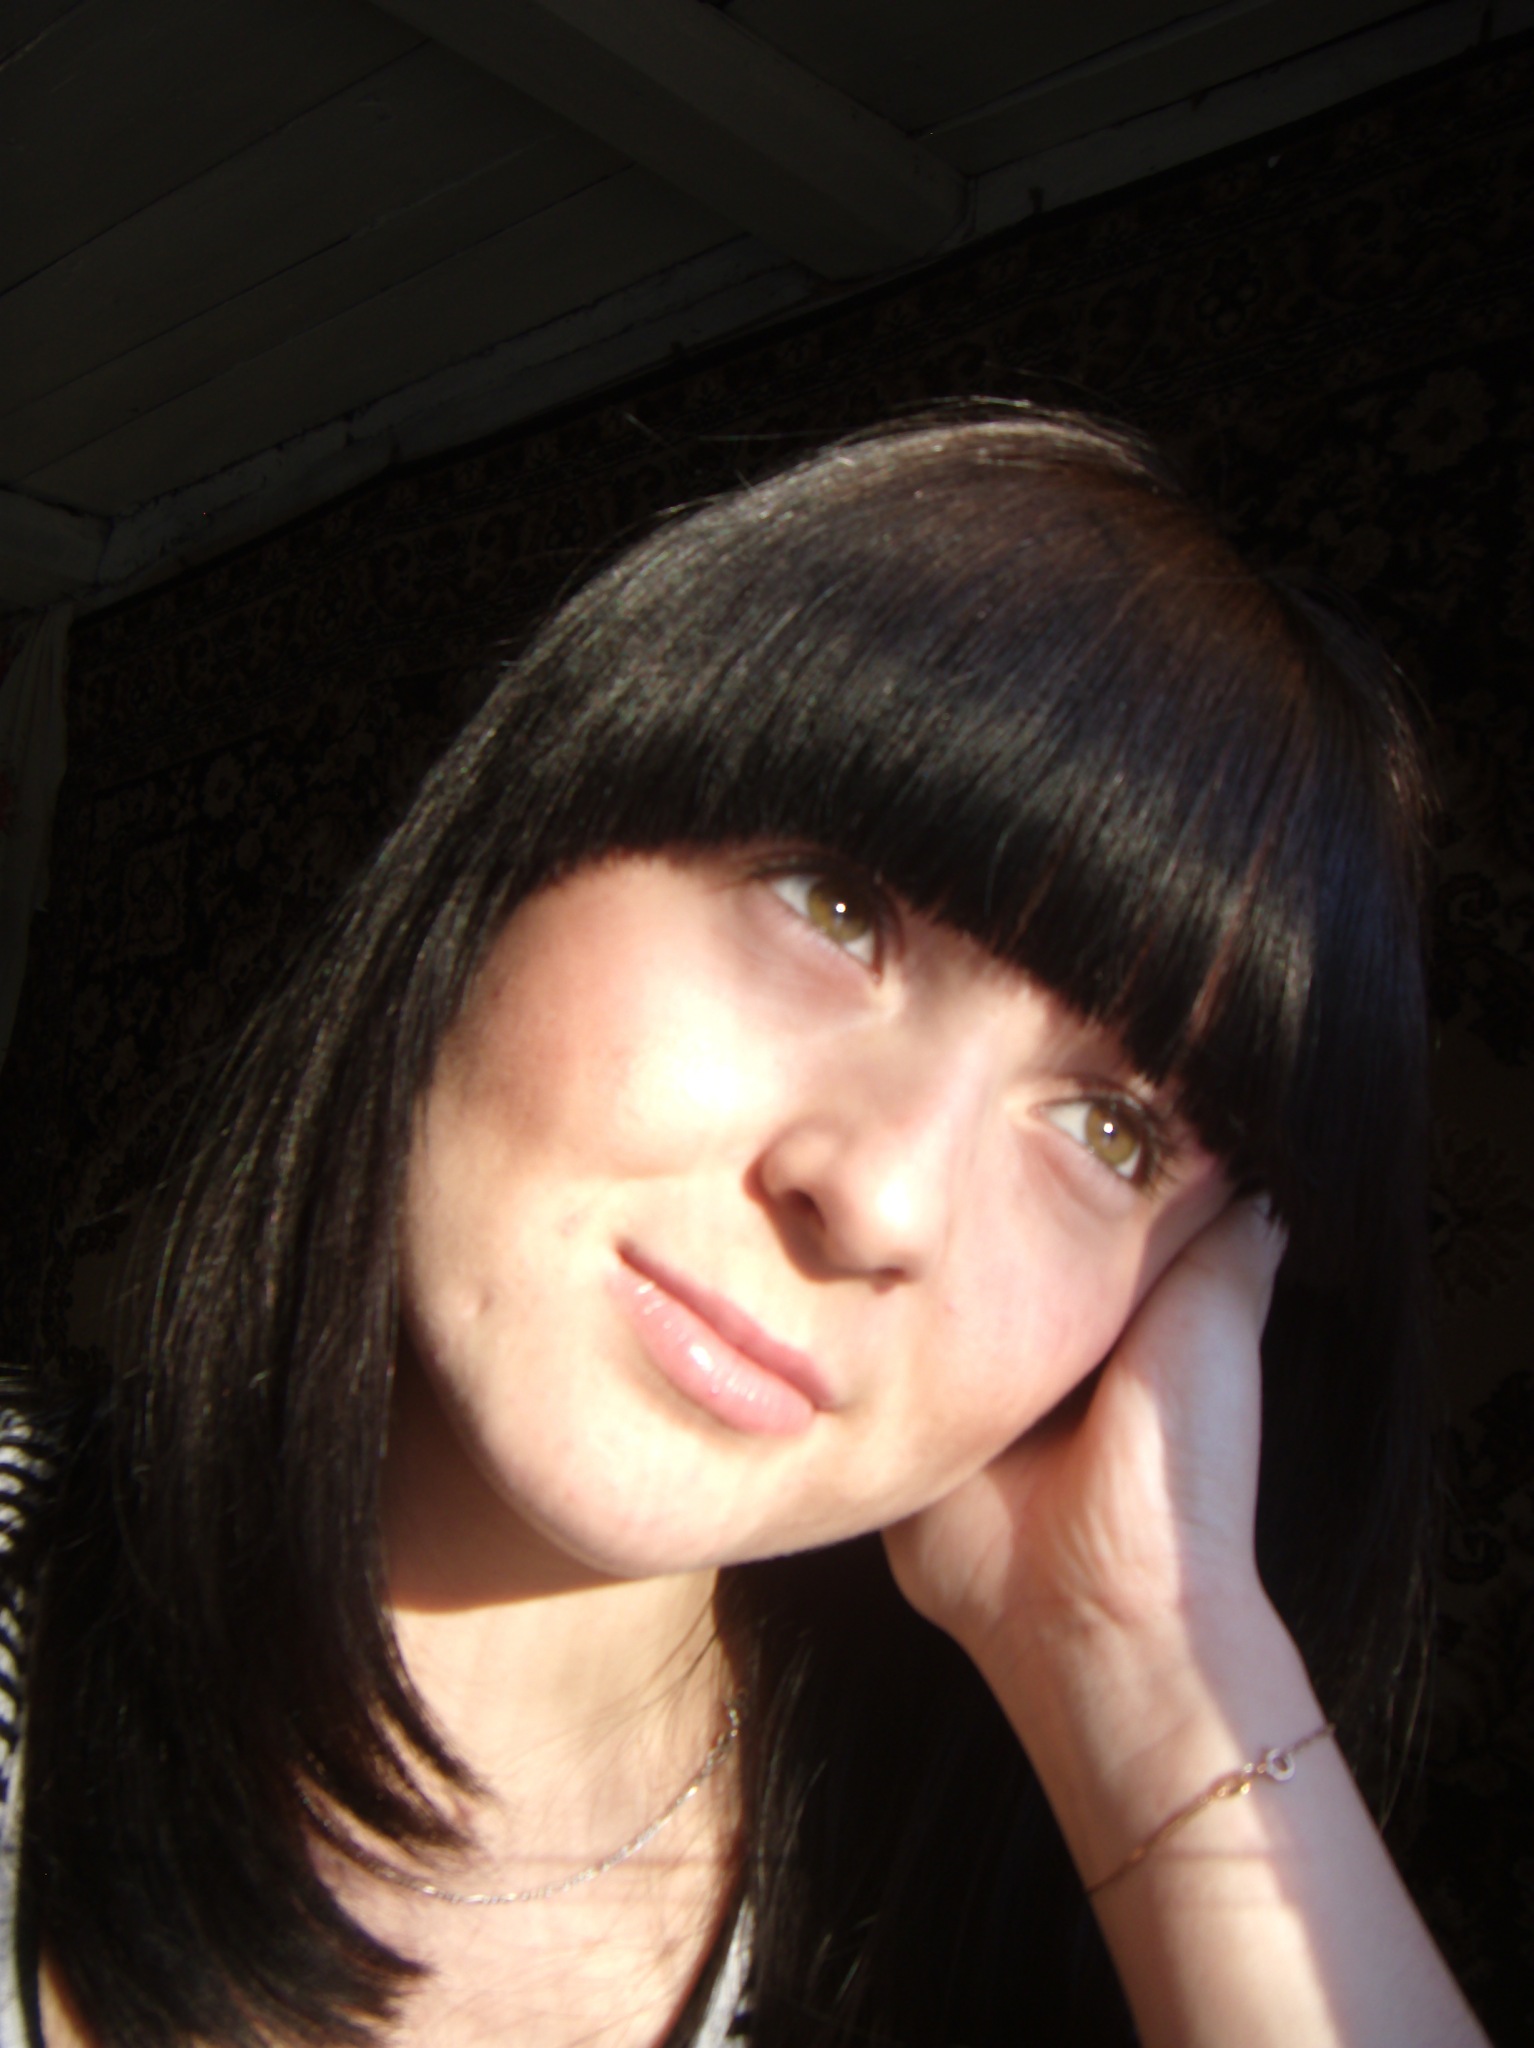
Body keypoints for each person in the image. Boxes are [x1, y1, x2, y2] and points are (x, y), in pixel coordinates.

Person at [5, 408, 1489, 2048]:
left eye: (1110, 1132)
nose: (880, 1198)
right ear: (522, 840)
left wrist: (1142, 1663)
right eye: (835, 907)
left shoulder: (986, 1959)